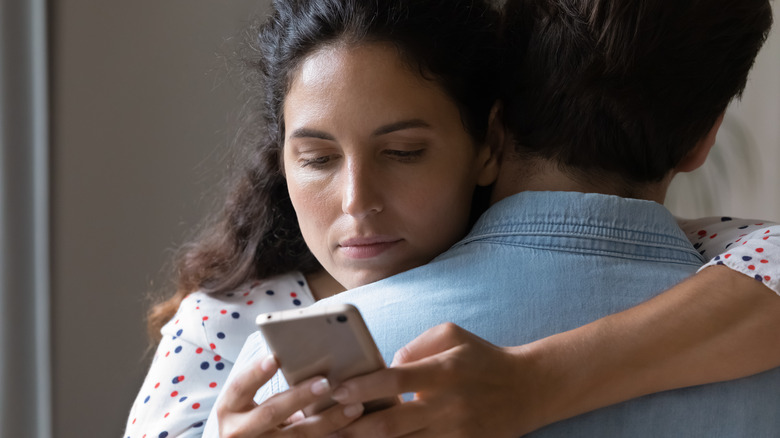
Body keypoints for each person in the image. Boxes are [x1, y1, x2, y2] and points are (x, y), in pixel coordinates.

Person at [123, 0, 780, 437]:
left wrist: (534, 381)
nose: (357, 202)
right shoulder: (233, 329)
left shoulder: (732, 272)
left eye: (405, 152)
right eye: (318, 157)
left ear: (489, 140)